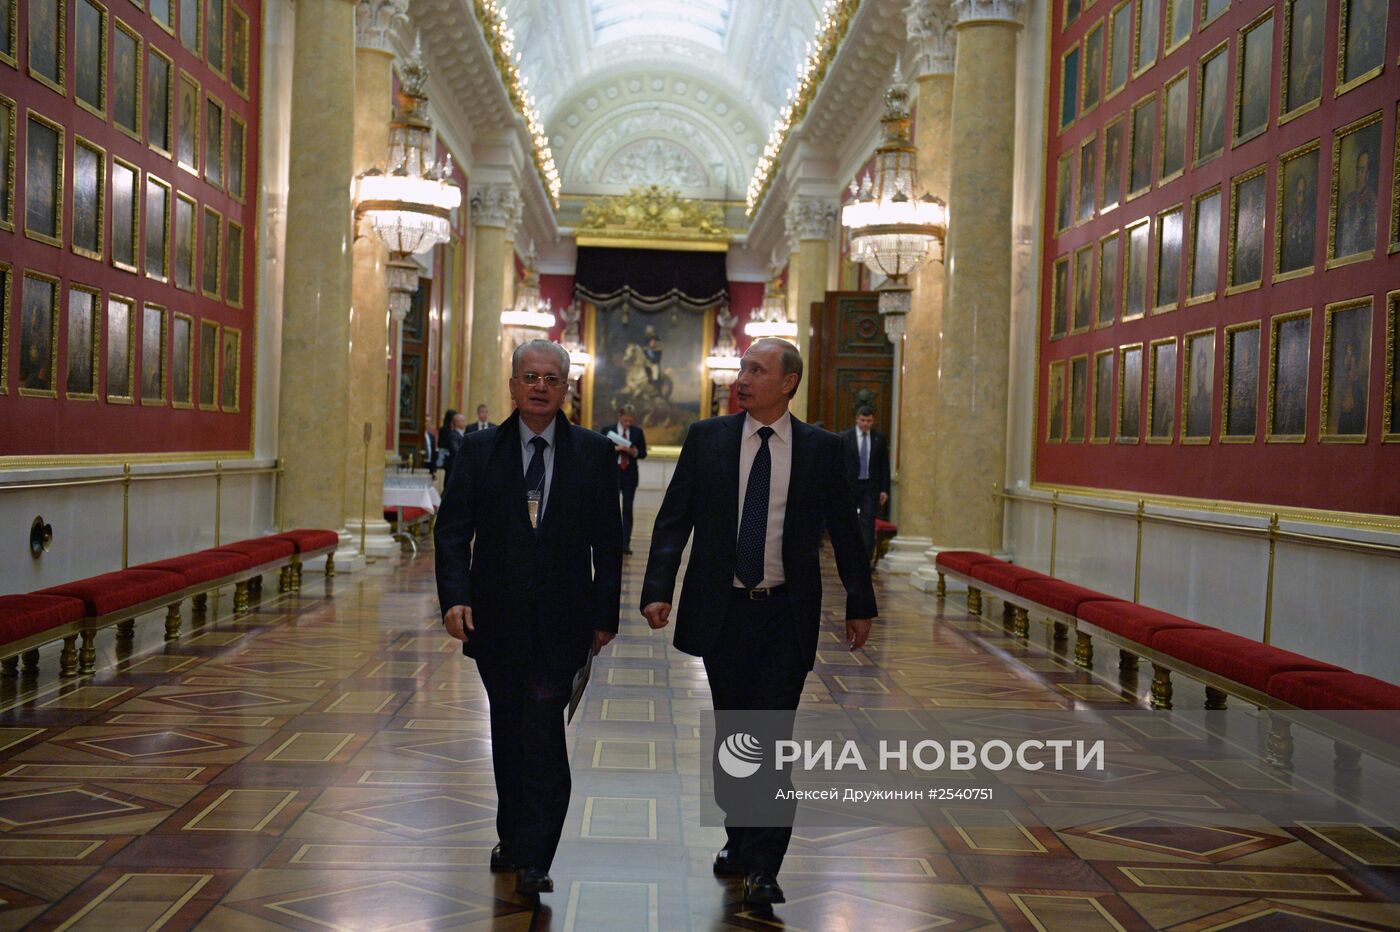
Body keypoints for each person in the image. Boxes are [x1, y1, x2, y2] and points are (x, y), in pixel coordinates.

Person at [640, 338, 876, 906]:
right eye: (742, 368)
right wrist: (657, 589)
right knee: (735, 733)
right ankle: (739, 838)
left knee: (769, 738)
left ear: (788, 382)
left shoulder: (821, 449)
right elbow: (675, 521)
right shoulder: (708, 439)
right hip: (722, 612)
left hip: (784, 614)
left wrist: (860, 601)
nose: (741, 378)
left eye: (756, 370)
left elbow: (845, 531)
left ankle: (765, 862)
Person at [435, 339, 623, 896]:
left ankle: (537, 852)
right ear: (513, 385)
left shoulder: (591, 452)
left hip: (564, 622)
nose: (540, 386)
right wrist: (454, 598)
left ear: (567, 388)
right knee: (507, 729)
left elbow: (608, 545)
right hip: (493, 621)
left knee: (542, 730)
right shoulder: (478, 450)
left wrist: (604, 615)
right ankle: (513, 835)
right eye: (530, 377)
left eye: (551, 378)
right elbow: (451, 533)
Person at [840, 405, 890, 565]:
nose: (865, 424)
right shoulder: (845, 438)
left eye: (869, 421)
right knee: (848, 522)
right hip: (849, 486)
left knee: (868, 524)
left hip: (870, 487)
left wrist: (884, 489)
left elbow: (884, 465)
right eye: (863, 420)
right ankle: (847, 559)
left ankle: (864, 561)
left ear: (873, 420)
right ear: (857, 419)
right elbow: (839, 464)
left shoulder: (879, 439)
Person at [606, 404, 646, 555]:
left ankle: (625, 544)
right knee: (611, 509)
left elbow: (643, 453)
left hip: (629, 475)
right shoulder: (608, 430)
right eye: (625, 420)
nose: (628, 423)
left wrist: (633, 451)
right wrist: (615, 449)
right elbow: (600, 451)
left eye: (630, 421)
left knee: (627, 510)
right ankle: (610, 542)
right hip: (612, 474)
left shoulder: (637, 432)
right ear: (619, 417)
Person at [440, 412, 467, 479]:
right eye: (462, 421)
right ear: (456, 423)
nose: (464, 423)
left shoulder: (463, 434)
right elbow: (456, 450)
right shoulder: (453, 435)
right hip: (453, 466)